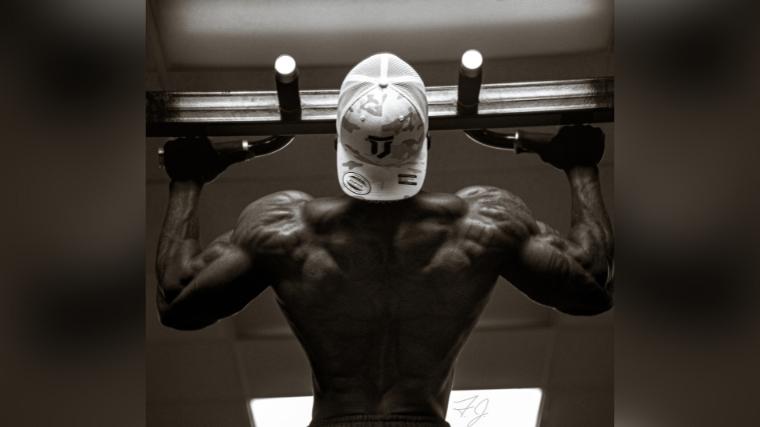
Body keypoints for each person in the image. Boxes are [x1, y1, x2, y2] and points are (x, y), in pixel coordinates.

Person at [155, 53, 613, 427]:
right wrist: (579, 167)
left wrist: (188, 180)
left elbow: (179, 298)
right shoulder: (482, 222)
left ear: (338, 147)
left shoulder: (286, 227)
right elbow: (590, 284)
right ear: (426, 145)